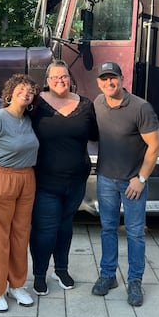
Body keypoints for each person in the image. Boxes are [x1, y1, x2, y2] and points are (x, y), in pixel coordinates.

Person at [91, 61, 159, 307]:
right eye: (104, 79)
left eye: (113, 78)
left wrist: (141, 179)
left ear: (122, 79)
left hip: (133, 183)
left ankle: (134, 281)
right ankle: (108, 275)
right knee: (108, 229)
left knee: (134, 233)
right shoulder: (98, 104)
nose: (109, 83)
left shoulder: (141, 108)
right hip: (105, 179)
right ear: (98, 82)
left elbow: (155, 147)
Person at [29, 59, 98, 295]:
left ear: (71, 79)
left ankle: (61, 269)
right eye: (55, 77)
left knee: (65, 227)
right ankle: (40, 275)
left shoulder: (86, 105)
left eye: (65, 76)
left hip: (76, 182)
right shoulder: (36, 104)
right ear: (47, 82)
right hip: (46, 182)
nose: (61, 80)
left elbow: (99, 134)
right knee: (46, 230)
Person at [0, 73, 40, 312]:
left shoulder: (27, 121)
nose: (26, 93)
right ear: (10, 93)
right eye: (21, 89)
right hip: (1, 177)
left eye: (31, 91)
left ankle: (17, 284)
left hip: (26, 179)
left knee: (20, 235)